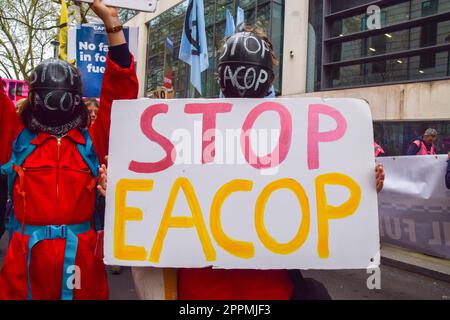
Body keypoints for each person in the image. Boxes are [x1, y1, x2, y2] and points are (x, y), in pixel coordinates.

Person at [0, 0, 138, 300]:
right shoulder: (16, 139)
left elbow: (121, 92)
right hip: (26, 263)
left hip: (81, 261)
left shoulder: (91, 142)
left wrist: (112, 23)